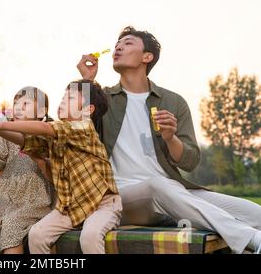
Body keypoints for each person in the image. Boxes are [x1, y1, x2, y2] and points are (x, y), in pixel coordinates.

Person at [77, 26, 261, 254]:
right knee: (157, 186)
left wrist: (171, 138)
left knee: (253, 212)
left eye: (128, 43)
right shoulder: (102, 99)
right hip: (120, 198)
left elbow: (190, 161)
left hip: (174, 190)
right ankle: (252, 240)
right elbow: (75, 127)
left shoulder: (174, 102)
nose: (118, 47)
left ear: (147, 57)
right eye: (117, 44)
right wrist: (85, 82)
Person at [0, 79, 122, 254]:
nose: (62, 100)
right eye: (63, 96)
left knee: (89, 237)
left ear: (87, 110)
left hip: (102, 204)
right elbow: (25, 140)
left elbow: (45, 128)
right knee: (37, 235)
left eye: (70, 98)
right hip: (71, 206)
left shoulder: (83, 127)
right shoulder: (55, 137)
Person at [0, 86, 55, 254]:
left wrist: (0, 127)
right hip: (5, 201)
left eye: (26, 103)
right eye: (16, 103)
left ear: (42, 111)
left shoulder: (47, 133)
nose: (18, 107)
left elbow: (28, 142)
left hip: (36, 200)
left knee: (11, 225)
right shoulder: (6, 136)